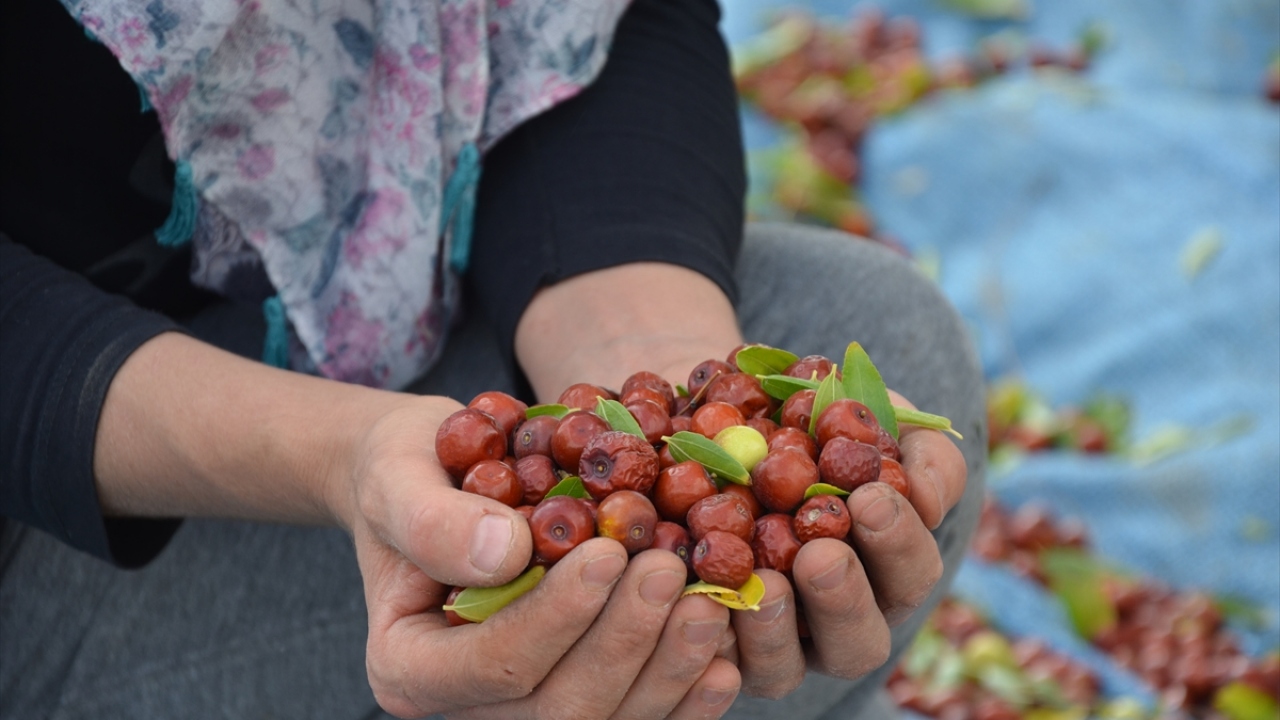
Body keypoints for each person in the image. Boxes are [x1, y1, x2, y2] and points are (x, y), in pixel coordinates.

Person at [0, 0, 985, 718]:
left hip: (344, 350)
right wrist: (337, 456)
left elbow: (604, 25)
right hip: (43, 525)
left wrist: (639, 361)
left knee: (878, 349)